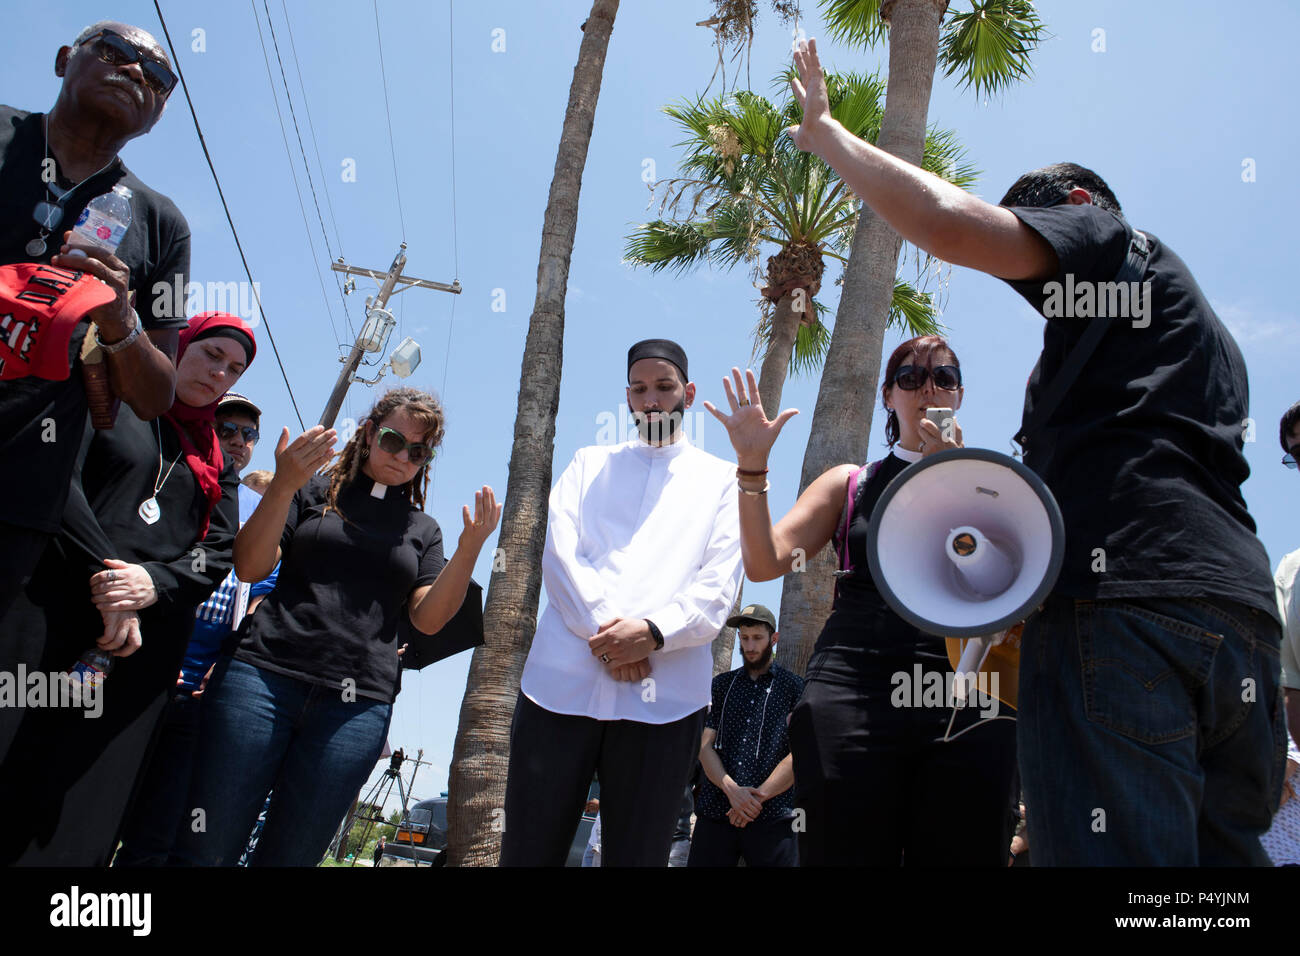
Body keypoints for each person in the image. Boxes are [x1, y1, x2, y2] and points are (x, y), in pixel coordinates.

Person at [784, 38, 1285, 864]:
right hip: (1236, 616)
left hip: (1126, 613)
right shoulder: (1202, 339)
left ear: (1078, 206)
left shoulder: (1109, 234)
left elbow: (947, 224)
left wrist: (832, 135)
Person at [704, 344, 1017, 866]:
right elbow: (764, 562)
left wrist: (953, 482)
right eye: (911, 377)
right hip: (855, 684)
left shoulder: (997, 484)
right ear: (887, 395)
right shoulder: (851, 483)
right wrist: (752, 468)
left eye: (943, 376)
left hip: (967, 690)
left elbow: (1012, 586)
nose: (928, 388)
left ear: (959, 393)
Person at [170, 387, 500, 866]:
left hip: (356, 707)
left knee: (293, 854)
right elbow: (248, 566)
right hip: (260, 679)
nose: (402, 456)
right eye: (392, 439)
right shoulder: (310, 491)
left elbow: (427, 619)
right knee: (206, 841)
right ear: (368, 434)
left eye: (418, 450)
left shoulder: (423, 529)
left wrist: (471, 547)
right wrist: (283, 485)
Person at [0, 311, 253, 865]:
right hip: (50, 605)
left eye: (233, 369)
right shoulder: (105, 393)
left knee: (78, 810)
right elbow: (55, 477)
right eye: (211, 355)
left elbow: (218, 552)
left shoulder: (218, 462)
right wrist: (111, 579)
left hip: (139, 648)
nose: (218, 375)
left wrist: (151, 584)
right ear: (178, 345)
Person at [501, 339, 743, 867]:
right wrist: (612, 641)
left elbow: (718, 586)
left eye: (664, 387)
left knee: (637, 857)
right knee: (527, 852)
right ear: (628, 399)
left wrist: (652, 634)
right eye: (639, 389)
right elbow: (560, 555)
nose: (651, 400)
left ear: (688, 393)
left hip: (665, 700)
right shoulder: (589, 463)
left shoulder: (722, 481)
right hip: (559, 688)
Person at [0, 22, 190, 627]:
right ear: (63, 60)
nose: (136, 71)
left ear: (158, 112)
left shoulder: (162, 223)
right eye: (115, 52)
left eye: (158, 77)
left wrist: (120, 320)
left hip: (20, 492)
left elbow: (157, 394)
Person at [113, 392, 275, 866]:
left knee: (159, 827)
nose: (239, 441)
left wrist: (218, 673)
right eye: (227, 430)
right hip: (135, 661)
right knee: (98, 795)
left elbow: (260, 604)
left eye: (249, 435)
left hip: (201, 693)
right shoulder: (178, 482)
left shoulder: (262, 525)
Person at [689, 604, 801, 867]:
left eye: (757, 638)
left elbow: (800, 753)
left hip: (774, 815)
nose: (749, 646)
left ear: (774, 639)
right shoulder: (722, 685)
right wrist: (732, 791)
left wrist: (755, 798)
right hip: (718, 812)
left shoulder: (794, 687)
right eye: (745, 637)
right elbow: (705, 747)